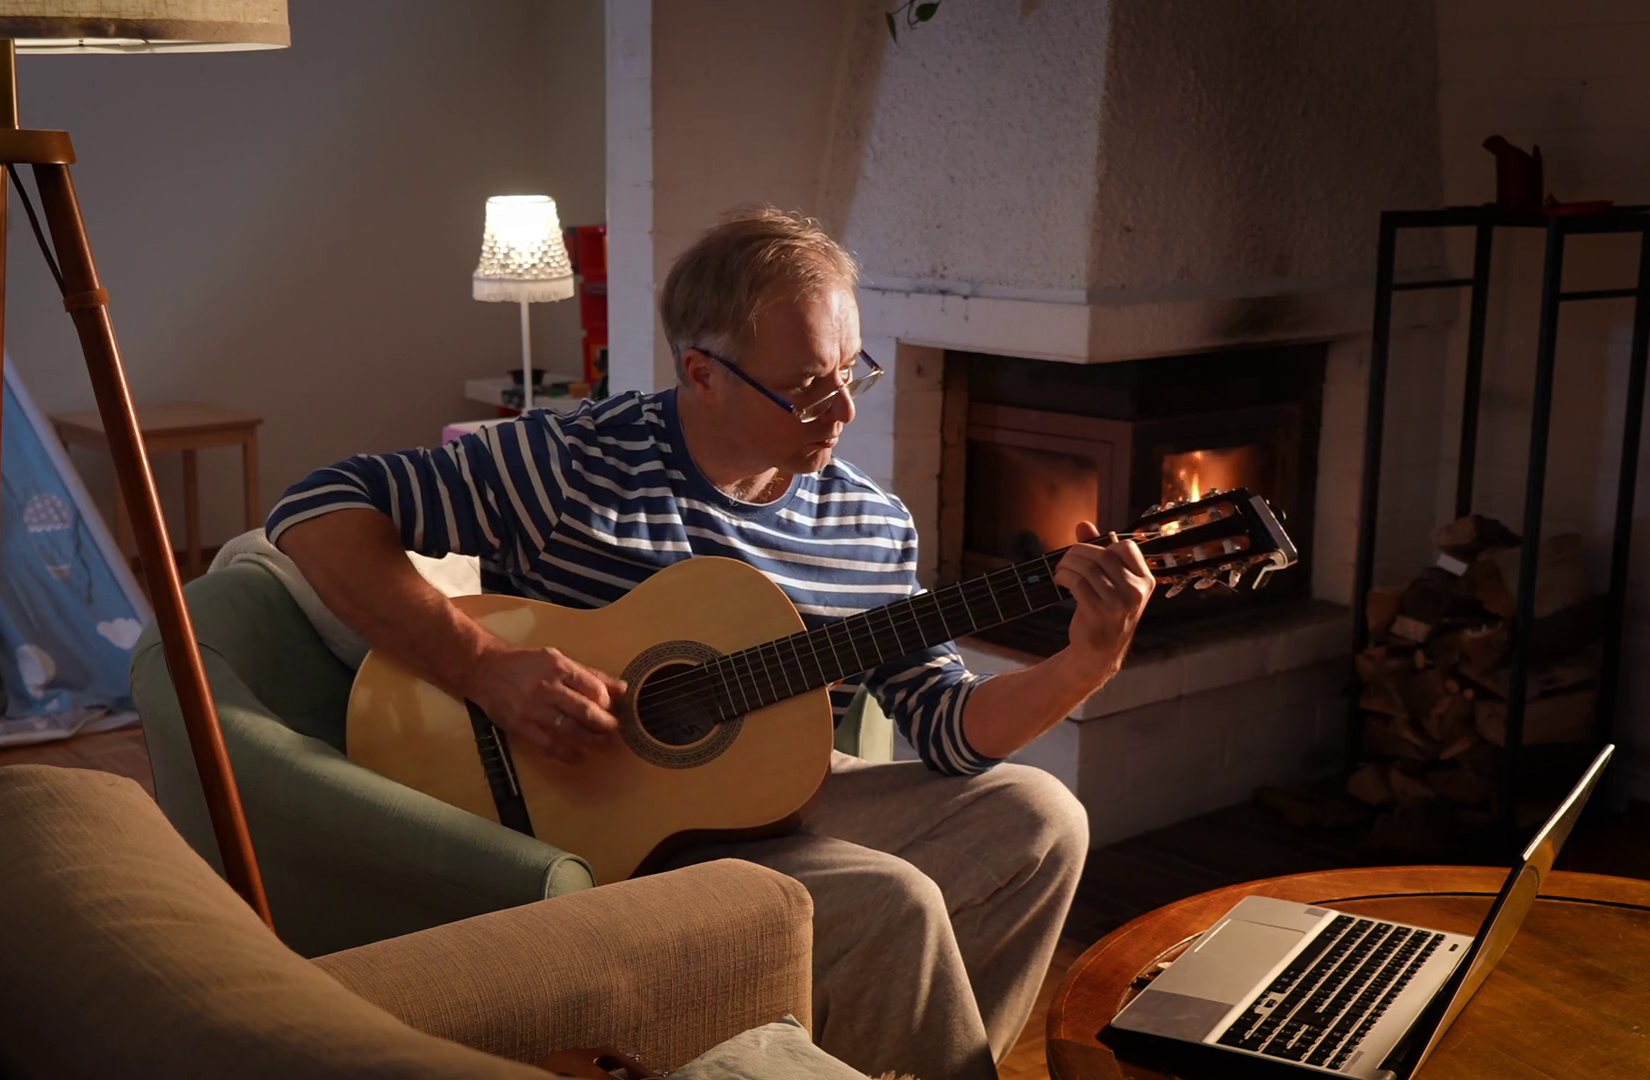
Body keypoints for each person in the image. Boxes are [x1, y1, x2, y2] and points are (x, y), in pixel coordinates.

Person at [270, 207, 1154, 1079]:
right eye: (807, 385)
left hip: (776, 801)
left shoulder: (869, 525)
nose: (844, 408)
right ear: (703, 372)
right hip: (588, 821)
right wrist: (485, 668)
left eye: (854, 370)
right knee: (896, 900)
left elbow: (948, 729)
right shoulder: (574, 463)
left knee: (1044, 819)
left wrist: (1085, 661)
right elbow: (316, 507)